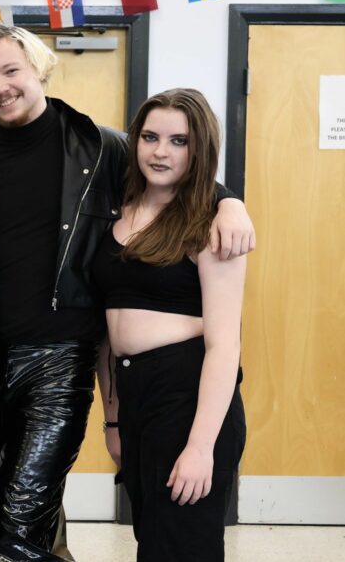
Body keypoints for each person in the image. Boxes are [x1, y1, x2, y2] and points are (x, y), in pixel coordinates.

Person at [0, 24, 256, 560]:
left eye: (11, 71)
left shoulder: (100, 146)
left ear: (39, 68)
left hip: (61, 358)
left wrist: (228, 200)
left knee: (17, 527)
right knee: (0, 511)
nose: (0, 86)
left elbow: (179, 174)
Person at [92, 88, 246, 562]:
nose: (160, 152)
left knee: (183, 546)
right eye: (150, 137)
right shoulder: (115, 211)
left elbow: (224, 345)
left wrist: (201, 447)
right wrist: (113, 418)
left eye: (179, 141)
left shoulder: (210, 223)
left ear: (199, 149)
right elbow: (105, 331)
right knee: (153, 541)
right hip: (135, 393)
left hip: (186, 393)